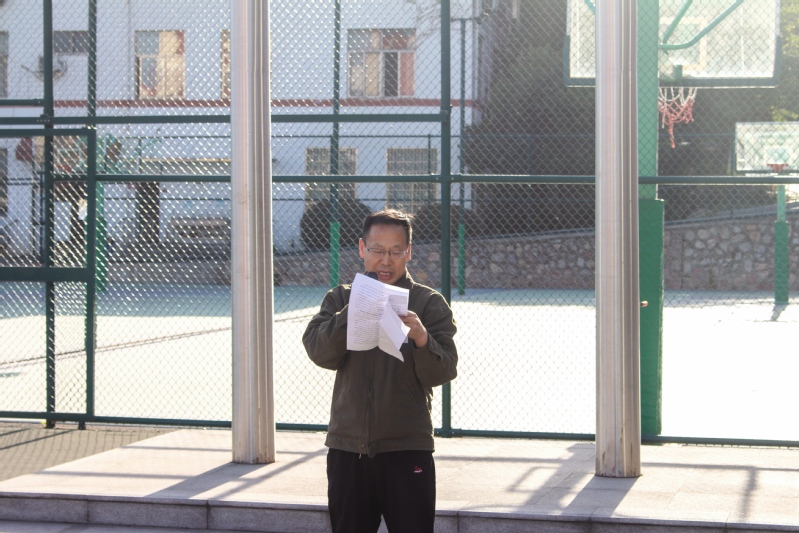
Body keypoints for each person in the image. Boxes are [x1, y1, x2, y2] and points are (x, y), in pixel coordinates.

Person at [303, 209, 458, 533]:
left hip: (407, 446)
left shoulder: (428, 303)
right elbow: (319, 352)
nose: (385, 261)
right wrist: (352, 310)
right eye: (377, 250)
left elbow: (443, 372)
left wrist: (422, 338)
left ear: (408, 252)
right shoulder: (339, 298)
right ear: (362, 248)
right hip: (348, 446)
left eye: (395, 251)